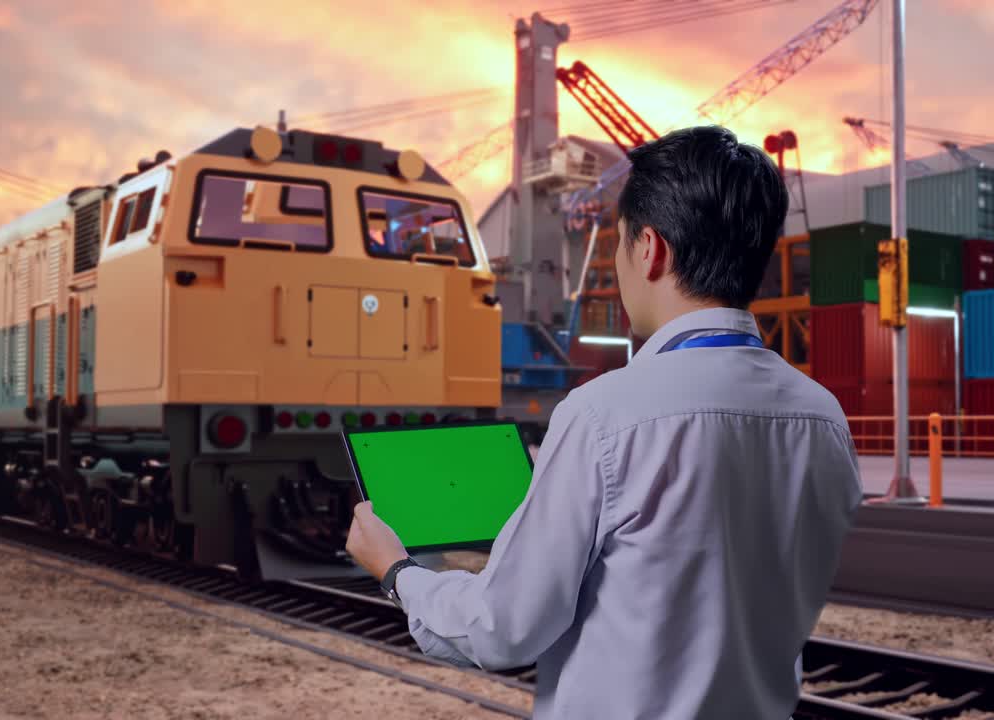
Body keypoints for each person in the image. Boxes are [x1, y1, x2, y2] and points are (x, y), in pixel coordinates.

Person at [345, 125, 863, 719]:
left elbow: (500, 629)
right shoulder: (823, 416)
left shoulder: (602, 416)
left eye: (618, 244)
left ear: (650, 248)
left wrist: (397, 572)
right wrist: (567, 487)